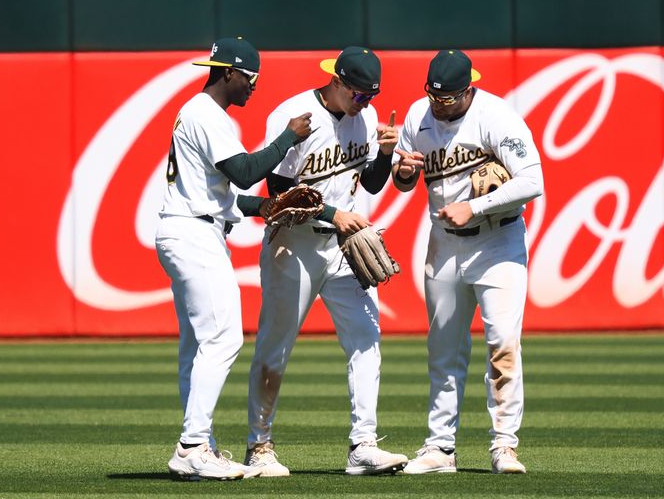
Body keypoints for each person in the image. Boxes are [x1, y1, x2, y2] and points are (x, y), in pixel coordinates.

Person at [239, 46, 408, 476]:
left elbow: (369, 182)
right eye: (358, 95)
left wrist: (386, 155)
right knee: (275, 346)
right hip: (292, 245)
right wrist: (334, 214)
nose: (365, 103)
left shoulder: (365, 118)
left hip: (342, 248)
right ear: (337, 81)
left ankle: (363, 445)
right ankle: (258, 446)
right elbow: (280, 198)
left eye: (371, 96)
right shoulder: (294, 115)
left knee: (366, 338)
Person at [155, 37, 312, 480]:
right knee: (224, 339)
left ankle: (198, 443)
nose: (255, 87)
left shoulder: (201, 113)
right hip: (193, 233)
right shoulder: (207, 114)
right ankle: (191, 447)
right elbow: (243, 171)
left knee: (198, 346)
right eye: (251, 77)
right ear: (229, 72)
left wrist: (259, 208)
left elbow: (219, 189)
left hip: (191, 226)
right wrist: (287, 138)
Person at [392, 50, 544, 474]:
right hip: (443, 244)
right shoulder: (417, 116)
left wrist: (475, 207)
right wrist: (402, 170)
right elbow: (404, 180)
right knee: (443, 350)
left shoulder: (497, 117)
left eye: (449, 99)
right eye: (434, 97)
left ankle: (503, 446)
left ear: (469, 88)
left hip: (498, 244)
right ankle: (440, 448)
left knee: (502, 345)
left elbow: (533, 180)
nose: (439, 106)